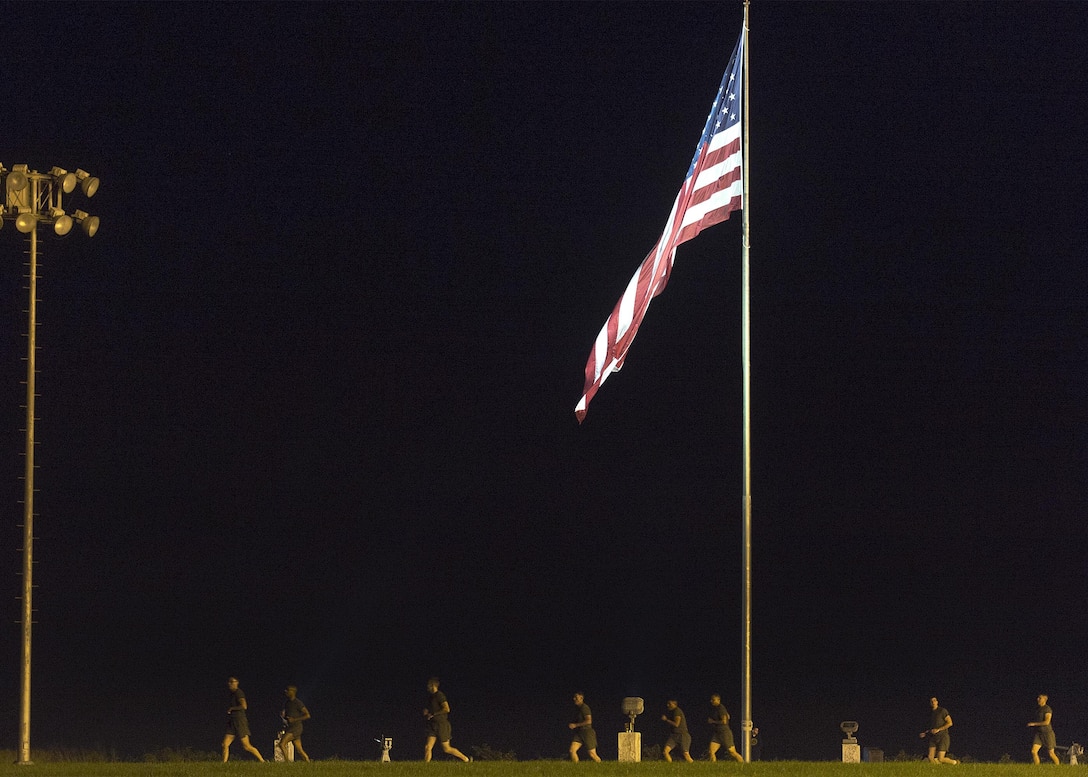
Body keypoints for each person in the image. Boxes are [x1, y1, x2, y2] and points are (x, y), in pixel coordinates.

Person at [423, 677, 471, 762]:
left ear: (433, 685)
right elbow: (430, 709)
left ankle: (466, 759)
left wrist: (434, 714)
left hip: (442, 725)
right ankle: (425, 766)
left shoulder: (440, 695)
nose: (427, 687)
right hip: (432, 725)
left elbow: (447, 709)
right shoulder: (431, 697)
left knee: (446, 748)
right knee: (427, 747)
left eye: (428, 685)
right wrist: (427, 712)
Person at [222, 676, 265, 762]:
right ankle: (223, 763)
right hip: (232, 722)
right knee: (224, 744)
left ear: (236, 683)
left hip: (240, 721)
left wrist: (232, 708)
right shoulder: (232, 694)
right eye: (229, 682)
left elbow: (244, 706)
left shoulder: (239, 693)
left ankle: (262, 761)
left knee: (246, 746)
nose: (229, 684)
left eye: (232, 682)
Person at [918, 696, 958, 764]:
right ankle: (937, 770)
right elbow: (931, 728)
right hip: (933, 737)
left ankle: (955, 762)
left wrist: (939, 729)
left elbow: (950, 723)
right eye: (931, 701)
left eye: (934, 700)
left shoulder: (942, 711)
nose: (933, 702)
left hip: (943, 737)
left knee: (941, 759)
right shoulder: (930, 714)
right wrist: (925, 733)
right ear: (930, 703)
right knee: (930, 757)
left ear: (937, 702)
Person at [278, 685, 312, 762]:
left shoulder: (298, 703)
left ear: (292, 692)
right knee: (299, 750)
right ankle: (308, 761)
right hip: (291, 727)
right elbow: (288, 716)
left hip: (296, 728)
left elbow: (307, 715)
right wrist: (284, 716)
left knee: (282, 744)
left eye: (288, 690)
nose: (285, 692)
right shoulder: (287, 703)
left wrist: (295, 719)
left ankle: (287, 763)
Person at [707, 694, 744, 763]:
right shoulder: (717, 709)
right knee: (711, 751)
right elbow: (728, 716)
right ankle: (712, 768)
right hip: (717, 733)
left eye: (713, 700)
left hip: (724, 732)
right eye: (711, 700)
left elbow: (724, 721)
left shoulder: (721, 708)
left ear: (718, 700)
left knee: (732, 752)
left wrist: (713, 721)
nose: (711, 701)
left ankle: (743, 764)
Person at [568, 692, 601, 762]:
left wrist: (575, 725)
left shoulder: (585, 708)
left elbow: (589, 721)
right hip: (580, 732)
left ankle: (601, 766)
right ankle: (576, 768)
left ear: (581, 698)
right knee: (572, 750)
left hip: (587, 732)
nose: (574, 699)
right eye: (574, 697)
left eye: (576, 697)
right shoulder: (578, 709)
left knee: (592, 754)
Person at [1028, 693, 1060, 764]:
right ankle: (1037, 769)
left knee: (1051, 753)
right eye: (1038, 698)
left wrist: (1034, 724)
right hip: (1039, 734)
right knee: (1033, 751)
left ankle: (1058, 768)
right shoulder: (1038, 709)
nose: (1038, 699)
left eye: (1040, 698)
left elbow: (1047, 722)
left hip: (1047, 733)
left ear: (1044, 699)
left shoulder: (1047, 709)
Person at [661, 699, 693, 763]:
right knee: (665, 751)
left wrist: (666, 720)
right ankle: (670, 767)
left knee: (686, 754)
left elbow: (676, 724)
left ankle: (693, 766)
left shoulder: (677, 711)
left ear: (674, 704)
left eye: (670, 704)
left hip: (682, 735)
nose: (668, 705)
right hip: (674, 735)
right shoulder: (672, 712)